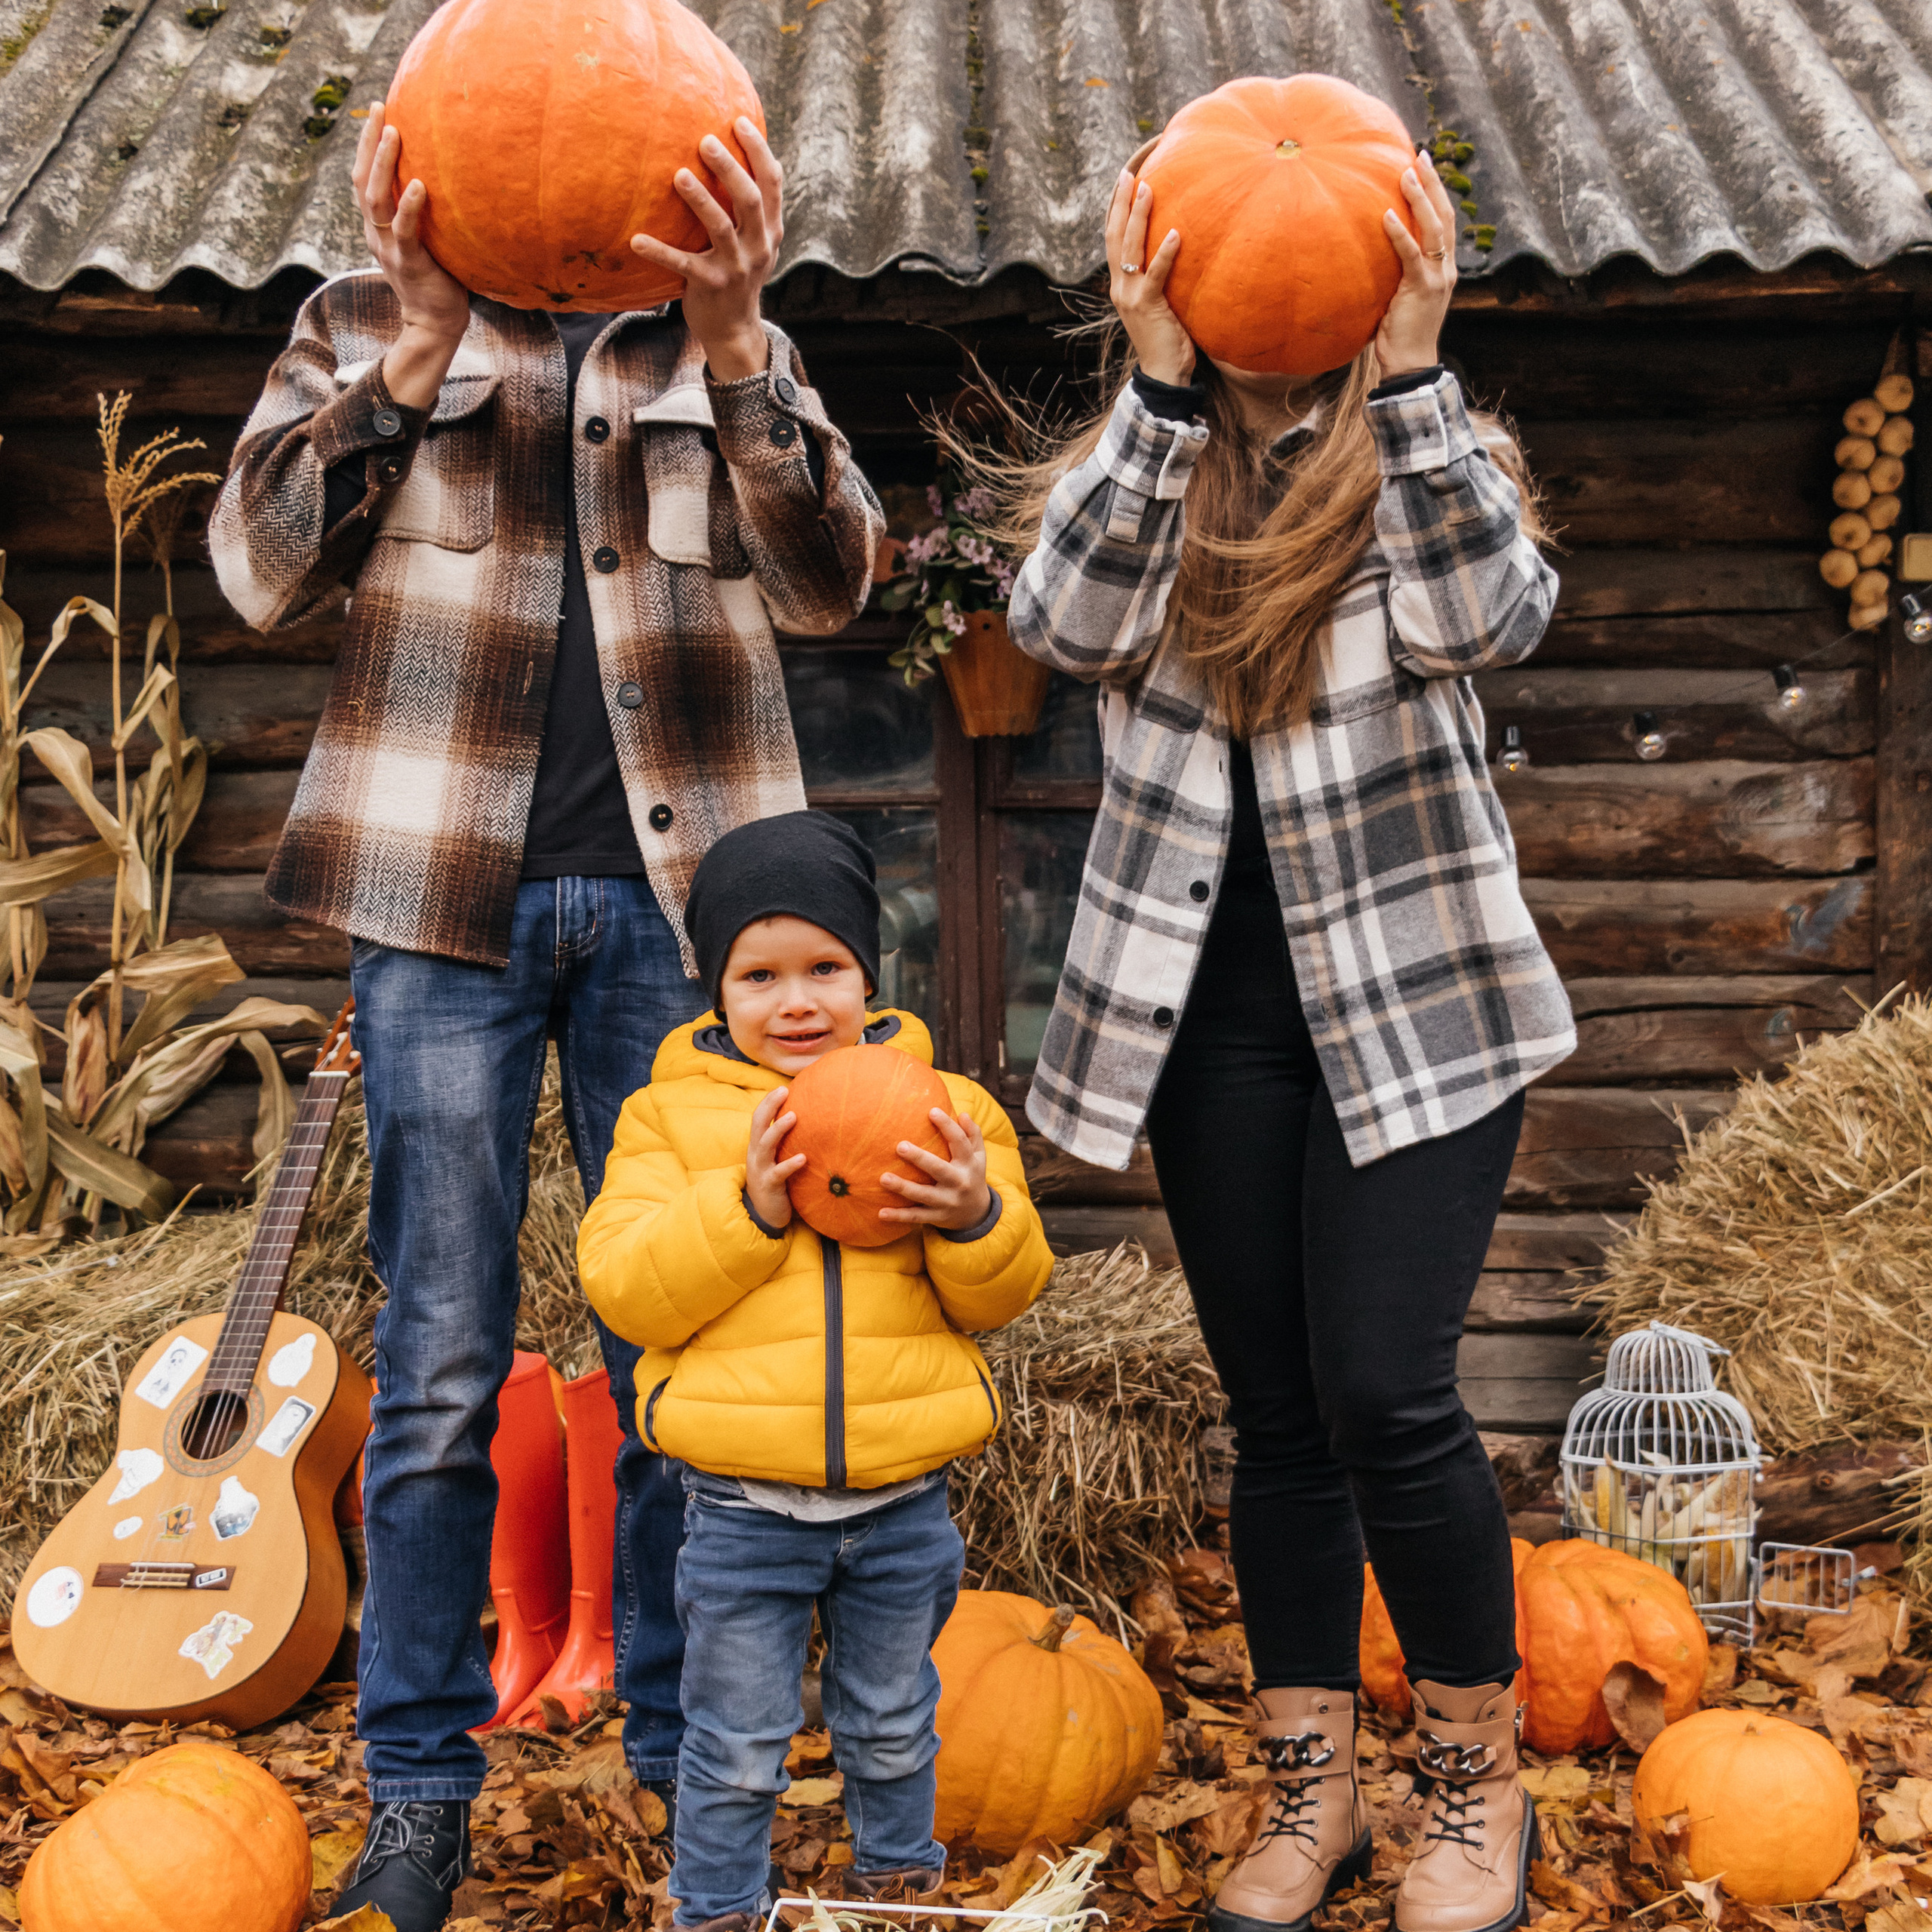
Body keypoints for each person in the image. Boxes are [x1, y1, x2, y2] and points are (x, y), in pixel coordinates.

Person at [209, 100, 883, 1932]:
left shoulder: (724, 335)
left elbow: (833, 583)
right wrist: (417, 345)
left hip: (687, 923)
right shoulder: (360, 318)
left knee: (675, 1364)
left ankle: (684, 1761)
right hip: (441, 909)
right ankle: (420, 1788)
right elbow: (261, 570)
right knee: (435, 1364)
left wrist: (742, 346)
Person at [998, 140, 1574, 1932]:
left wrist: (1408, 369)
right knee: (1274, 1418)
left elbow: (1493, 618)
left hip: (1412, 1009)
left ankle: (1475, 1786)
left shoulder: (1432, 456)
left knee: (1388, 1393)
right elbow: (1051, 624)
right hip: (1211, 1025)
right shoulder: (1145, 471)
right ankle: (1306, 1787)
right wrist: (1154, 381)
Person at [577, 809, 1054, 1932]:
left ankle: (898, 1892)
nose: (797, 1002)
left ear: (869, 973)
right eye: (760, 975)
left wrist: (974, 1216)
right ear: (716, 990)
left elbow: (1008, 1291)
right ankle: (718, 1909)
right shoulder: (666, 1122)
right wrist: (742, 1208)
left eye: (826, 968)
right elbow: (627, 1288)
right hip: (742, 1508)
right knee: (736, 1740)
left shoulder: (951, 1113)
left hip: (902, 1503)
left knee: (892, 1719)